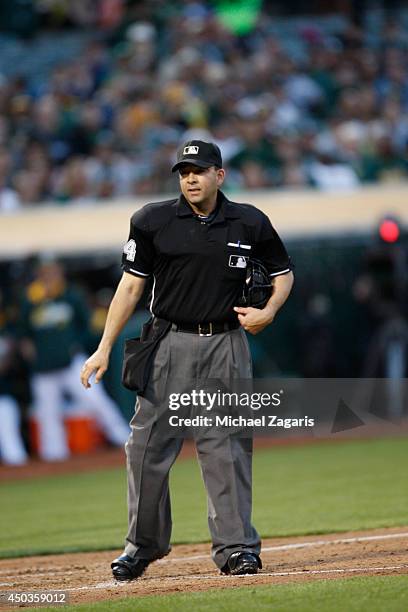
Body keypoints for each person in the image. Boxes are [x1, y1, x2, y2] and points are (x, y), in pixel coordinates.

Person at [80, 140, 294, 580]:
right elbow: (130, 287)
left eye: (199, 170)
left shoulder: (249, 221)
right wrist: (103, 346)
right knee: (146, 447)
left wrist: (269, 311)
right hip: (169, 342)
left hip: (226, 343)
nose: (190, 178)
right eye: (184, 171)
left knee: (226, 447)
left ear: (220, 175)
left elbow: (283, 274)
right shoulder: (152, 220)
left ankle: (236, 548)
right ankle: (142, 546)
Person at [20, 258, 129, 461]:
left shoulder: (70, 294)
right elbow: (23, 332)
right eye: (45, 272)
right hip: (43, 368)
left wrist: (72, 345)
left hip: (71, 363)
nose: (49, 276)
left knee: (96, 400)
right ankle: (54, 458)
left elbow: (85, 325)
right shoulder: (30, 299)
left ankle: (124, 439)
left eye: (52, 271)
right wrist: (29, 348)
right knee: (47, 413)